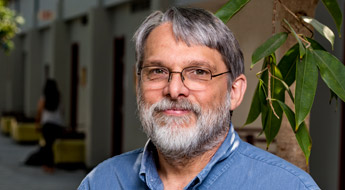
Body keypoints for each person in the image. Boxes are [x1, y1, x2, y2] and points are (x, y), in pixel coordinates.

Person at [78, 7, 319, 189]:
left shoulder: (287, 186)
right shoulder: (102, 182)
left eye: (198, 72)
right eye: (158, 71)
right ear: (137, 83)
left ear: (234, 92)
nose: (174, 90)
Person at [36, 79, 65, 172]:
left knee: (48, 145)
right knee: (51, 144)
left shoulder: (44, 97)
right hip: (57, 125)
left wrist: (37, 124)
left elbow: (39, 111)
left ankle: (49, 165)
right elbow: (62, 111)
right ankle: (49, 164)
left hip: (47, 125)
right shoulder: (58, 97)